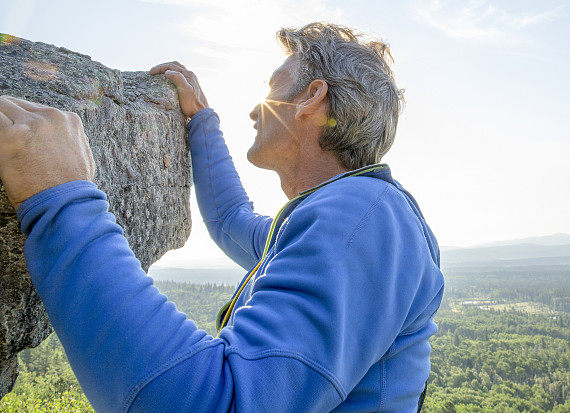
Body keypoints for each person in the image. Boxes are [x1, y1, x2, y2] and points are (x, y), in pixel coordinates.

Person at [0, 22, 444, 412]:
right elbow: (231, 219)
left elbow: (219, 402)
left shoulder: (362, 218)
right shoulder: (345, 217)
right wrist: (202, 121)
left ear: (312, 97)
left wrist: (62, 198)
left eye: (272, 88)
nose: (255, 109)